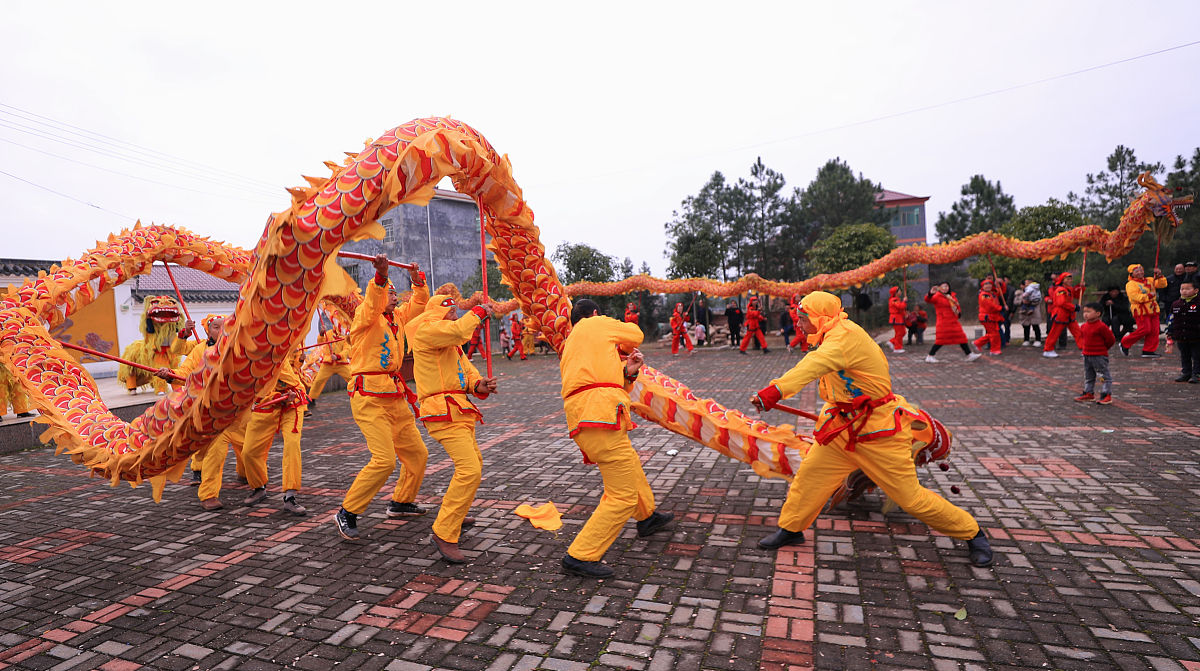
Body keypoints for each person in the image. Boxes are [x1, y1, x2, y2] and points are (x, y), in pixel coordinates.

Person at [749, 291, 992, 567]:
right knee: (809, 479)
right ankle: (791, 529)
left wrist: (775, 391)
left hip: (879, 433)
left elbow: (813, 365)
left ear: (820, 318)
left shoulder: (843, 337)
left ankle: (972, 533)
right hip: (842, 429)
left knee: (911, 499)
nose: (799, 324)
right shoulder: (831, 333)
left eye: (803, 319)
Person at [559, 298, 673, 578]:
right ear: (594, 313)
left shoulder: (572, 343)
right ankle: (581, 554)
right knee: (621, 495)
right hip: (599, 416)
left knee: (630, 463)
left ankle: (647, 517)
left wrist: (627, 372)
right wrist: (624, 340)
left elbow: (603, 381)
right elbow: (635, 335)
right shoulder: (596, 323)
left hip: (589, 416)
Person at [334, 255, 430, 540]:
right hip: (369, 397)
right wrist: (381, 276)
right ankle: (347, 511)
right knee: (385, 460)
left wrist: (417, 281)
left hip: (394, 394)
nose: (394, 296)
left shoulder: (397, 318)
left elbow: (420, 303)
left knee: (417, 454)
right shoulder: (365, 316)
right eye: (389, 292)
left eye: (395, 293)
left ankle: (401, 502)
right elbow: (374, 300)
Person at [406, 289, 498, 563]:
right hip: (442, 412)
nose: (455, 315)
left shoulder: (452, 345)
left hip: (459, 411)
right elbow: (459, 331)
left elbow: (466, 374)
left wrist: (479, 384)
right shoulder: (427, 331)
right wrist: (479, 312)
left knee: (475, 465)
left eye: (456, 311)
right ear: (436, 314)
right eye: (450, 311)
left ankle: (456, 514)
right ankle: (444, 533)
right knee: (469, 469)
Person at [240, 344, 310, 514]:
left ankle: (290, 497)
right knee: (248, 452)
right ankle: (259, 487)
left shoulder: (278, 352)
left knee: (292, 445)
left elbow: (293, 382)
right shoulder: (242, 359)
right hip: (264, 405)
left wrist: (299, 364)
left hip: (291, 403)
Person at [923, 282, 980, 363]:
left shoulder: (952, 296)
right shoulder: (937, 296)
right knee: (941, 340)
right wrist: (930, 293)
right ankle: (930, 356)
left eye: (946, 286)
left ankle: (969, 355)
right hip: (943, 322)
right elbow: (928, 300)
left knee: (961, 337)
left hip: (953, 321)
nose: (945, 288)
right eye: (943, 286)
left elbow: (957, 306)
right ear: (939, 288)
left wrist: (958, 313)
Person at [1120, 264, 1168, 358]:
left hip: (1153, 308)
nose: (1140, 272)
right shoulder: (1131, 284)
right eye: (1137, 271)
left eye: (1141, 270)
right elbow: (1134, 297)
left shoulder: (1150, 280)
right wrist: (1148, 296)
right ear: (1132, 274)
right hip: (1141, 310)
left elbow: (1162, 284)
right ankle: (1124, 343)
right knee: (1145, 329)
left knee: (1154, 330)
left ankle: (1148, 350)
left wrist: (1159, 276)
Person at [1074, 303, 1116, 405]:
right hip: (1087, 355)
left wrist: (1103, 349)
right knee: (1089, 375)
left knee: (1103, 375)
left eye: (1089, 312)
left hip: (1099, 356)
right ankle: (1088, 392)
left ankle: (1106, 394)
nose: (1085, 314)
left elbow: (1111, 340)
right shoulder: (1084, 326)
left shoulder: (1101, 327)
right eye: (1084, 312)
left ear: (1098, 314)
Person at [1042, 271, 1085, 358]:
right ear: (1063, 280)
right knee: (1054, 333)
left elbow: (1077, 295)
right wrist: (1074, 307)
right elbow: (1061, 303)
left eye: (1070, 279)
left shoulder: (1069, 289)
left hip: (1069, 315)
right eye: (1067, 279)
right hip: (1061, 315)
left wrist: (1081, 287)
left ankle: (1085, 349)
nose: (1070, 280)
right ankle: (1048, 349)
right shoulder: (1060, 290)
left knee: (1078, 332)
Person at [307, 327, 351, 407]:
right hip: (328, 363)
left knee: (352, 378)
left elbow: (347, 350)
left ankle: (360, 394)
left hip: (341, 363)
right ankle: (311, 399)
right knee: (318, 381)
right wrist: (321, 334)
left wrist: (338, 356)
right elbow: (320, 343)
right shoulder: (328, 333)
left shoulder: (345, 336)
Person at [1167, 281, 1200, 383]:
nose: (1184, 291)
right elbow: (1171, 319)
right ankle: (1186, 373)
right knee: (1184, 356)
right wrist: (1170, 332)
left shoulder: (1198, 303)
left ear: (1196, 290)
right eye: (1182, 289)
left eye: (1188, 289)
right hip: (1181, 335)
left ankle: (1197, 374)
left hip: (1196, 336)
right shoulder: (1176, 304)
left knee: (1197, 356)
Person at [973, 280, 1003, 356]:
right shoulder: (984, 295)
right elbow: (989, 305)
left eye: (990, 284)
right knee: (993, 333)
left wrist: (1000, 284)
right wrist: (999, 308)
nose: (988, 286)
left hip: (992, 316)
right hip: (987, 317)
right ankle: (994, 350)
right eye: (986, 284)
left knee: (993, 333)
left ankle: (978, 343)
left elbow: (1001, 291)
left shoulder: (992, 293)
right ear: (982, 287)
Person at [1017, 279, 1043, 346]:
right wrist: (1022, 301)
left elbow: (1039, 300)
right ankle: (1026, 340)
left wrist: (1031, 301)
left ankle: (1038, 340)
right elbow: (1016, 302)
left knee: (1035, 326)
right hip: (1024, 314)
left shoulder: (1035, 291)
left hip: (1034, 313)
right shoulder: (1019, 293)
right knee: (1026, 327)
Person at [886, 286, 907, 354]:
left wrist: (905, 314)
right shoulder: (894, 300)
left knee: (902, 332)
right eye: (899, 291)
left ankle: (892, 341)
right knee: (899, 333)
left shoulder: (897, 299)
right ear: (896, 293)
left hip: (899, 318)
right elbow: (900, 307)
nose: (900, 292)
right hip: (896, 318)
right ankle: (897, 348)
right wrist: (904, 301)